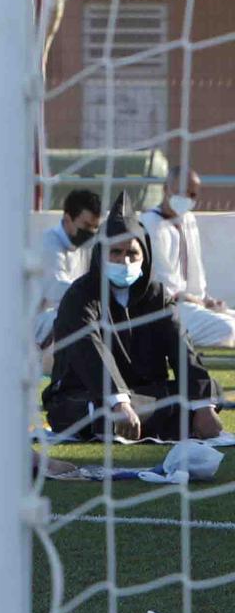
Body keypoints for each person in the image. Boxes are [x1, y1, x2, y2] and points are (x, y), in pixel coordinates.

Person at [45, 205, 223, 442]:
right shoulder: (80, 296)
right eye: (115, 253)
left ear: (144, 256)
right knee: (92, 410)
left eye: (132, 253)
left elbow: (181, 346)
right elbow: (89, 349)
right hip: (87, 394)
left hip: (144, 396)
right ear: (101, 254)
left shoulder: (156, 295)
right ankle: (132, 417)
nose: (124, 260)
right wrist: (119, 401)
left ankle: (149, 416)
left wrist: (203, 406)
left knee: (209, 391)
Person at [140, 170, 235, 349]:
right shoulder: (149, 223)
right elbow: (164, 287)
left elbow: (194, 273)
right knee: (228, 329)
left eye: (192, 195)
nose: (186, 198)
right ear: (165, 189)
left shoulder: (189, 220)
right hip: (167, 308)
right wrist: (197, 301)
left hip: (193, 305)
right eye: (181, 192)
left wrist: (207, 300)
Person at [36, 189, 105, 346]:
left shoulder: (83, 246)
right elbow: (56, 290)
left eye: (95, 228)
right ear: (67, 219)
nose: (90, 233)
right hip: (36, 327)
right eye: (86, 225)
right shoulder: (48, 243)